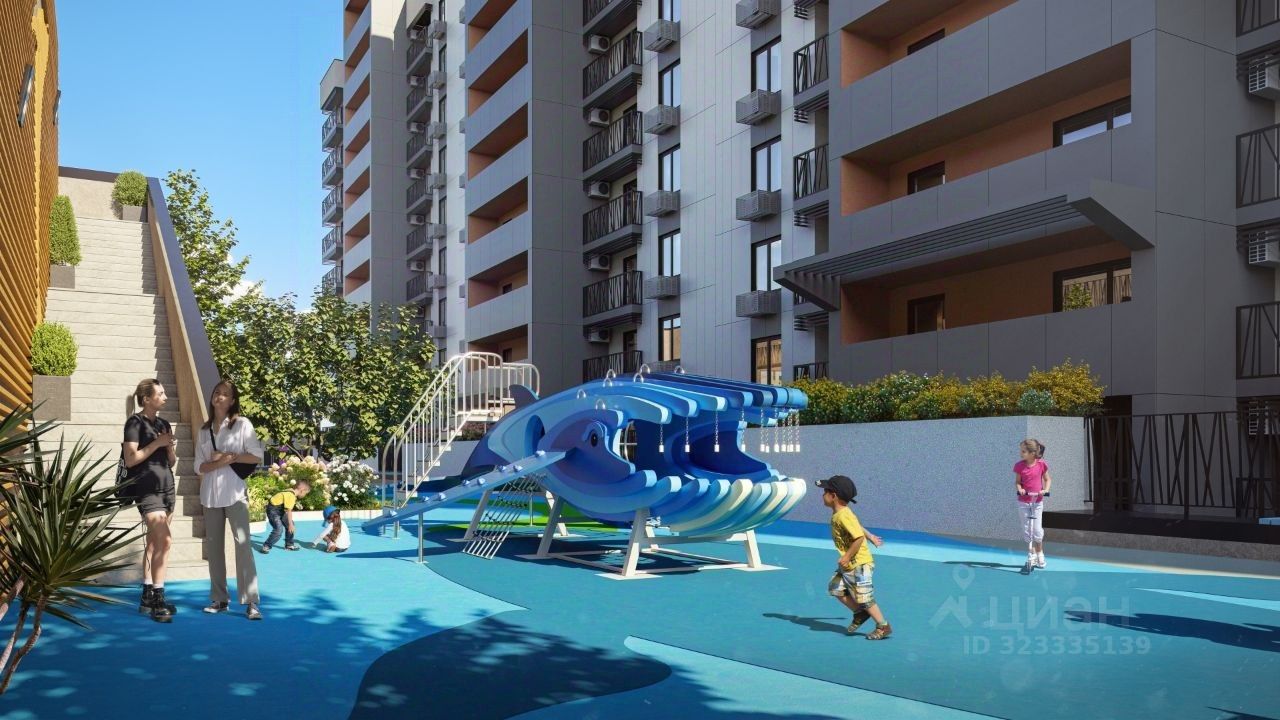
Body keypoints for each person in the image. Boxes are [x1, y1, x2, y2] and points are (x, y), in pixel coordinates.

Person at [195, 380, 265, 620]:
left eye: (225, 394)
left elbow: (256, 456)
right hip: (210, 496)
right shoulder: (203, 430)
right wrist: (217, 463)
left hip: (235, 494)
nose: (220, 396)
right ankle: (219, 599)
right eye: (217, 392)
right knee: (214, 549)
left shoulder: (242, 424)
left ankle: (252, 601)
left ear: (233, 400)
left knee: (243, 546)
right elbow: (199, 466)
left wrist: (227, 458)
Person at [123, 379, 178, 623]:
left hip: (167, 489)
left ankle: (147, 594)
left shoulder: (164, 424)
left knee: (155, 543)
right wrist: (158, 443)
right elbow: (130, 460)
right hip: (147, 490)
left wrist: (169, 448)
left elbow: (172, 461)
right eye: (160, 393)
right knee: (165, 540)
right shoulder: (134, 423)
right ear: (147, 399)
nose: (165, 397)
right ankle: (158, 599)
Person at [816, 475, 892, 640]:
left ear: (833, 496)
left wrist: (847, 556)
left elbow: (858, 538)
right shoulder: (841, 513)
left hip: (859, 563)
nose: (822, 495)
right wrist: (871, 536)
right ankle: (860, 613)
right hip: (850, 563)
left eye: (825, 491)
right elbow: (857, 527)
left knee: (864, 597)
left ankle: (883, 626)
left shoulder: (843, 515)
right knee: (835, 588)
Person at [1015, 438, 1053, 574]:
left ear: (1032, 453)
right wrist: (1020, 489)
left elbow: (1047, 479)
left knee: (1037, 530)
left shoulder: (1041, 464)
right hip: (1023, 502)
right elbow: (1017, 482)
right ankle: (1031, 554)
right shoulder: (1019, 466)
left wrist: (1045, 490)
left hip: (1037, 502)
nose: (1021, 453)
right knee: (1027, 530)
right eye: (1021, 451)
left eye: (1023, 451)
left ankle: (1040, 552)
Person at [261, 480, 311, 554]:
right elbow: (289, 511)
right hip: (273, 511)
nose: (305, 495)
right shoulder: (291, 495)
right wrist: (290, 524)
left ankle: (289, 545)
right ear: (302, 490)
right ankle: (266, 546)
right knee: (278, 530)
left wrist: (290, 524)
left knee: (291, 525)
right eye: (305, 493)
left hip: (279, 510)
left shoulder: (290, 491)